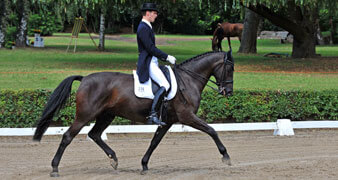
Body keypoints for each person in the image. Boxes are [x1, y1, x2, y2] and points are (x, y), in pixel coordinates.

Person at [136, 2, 176, 126]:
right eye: (154, 13)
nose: (156, 15)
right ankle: (153, 114)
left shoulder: (147, 26)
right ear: (147, 13)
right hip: (148, 62)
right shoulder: (143, 27)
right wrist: (166, 57)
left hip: (152, 60)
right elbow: (150, 48)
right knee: (165, 84)